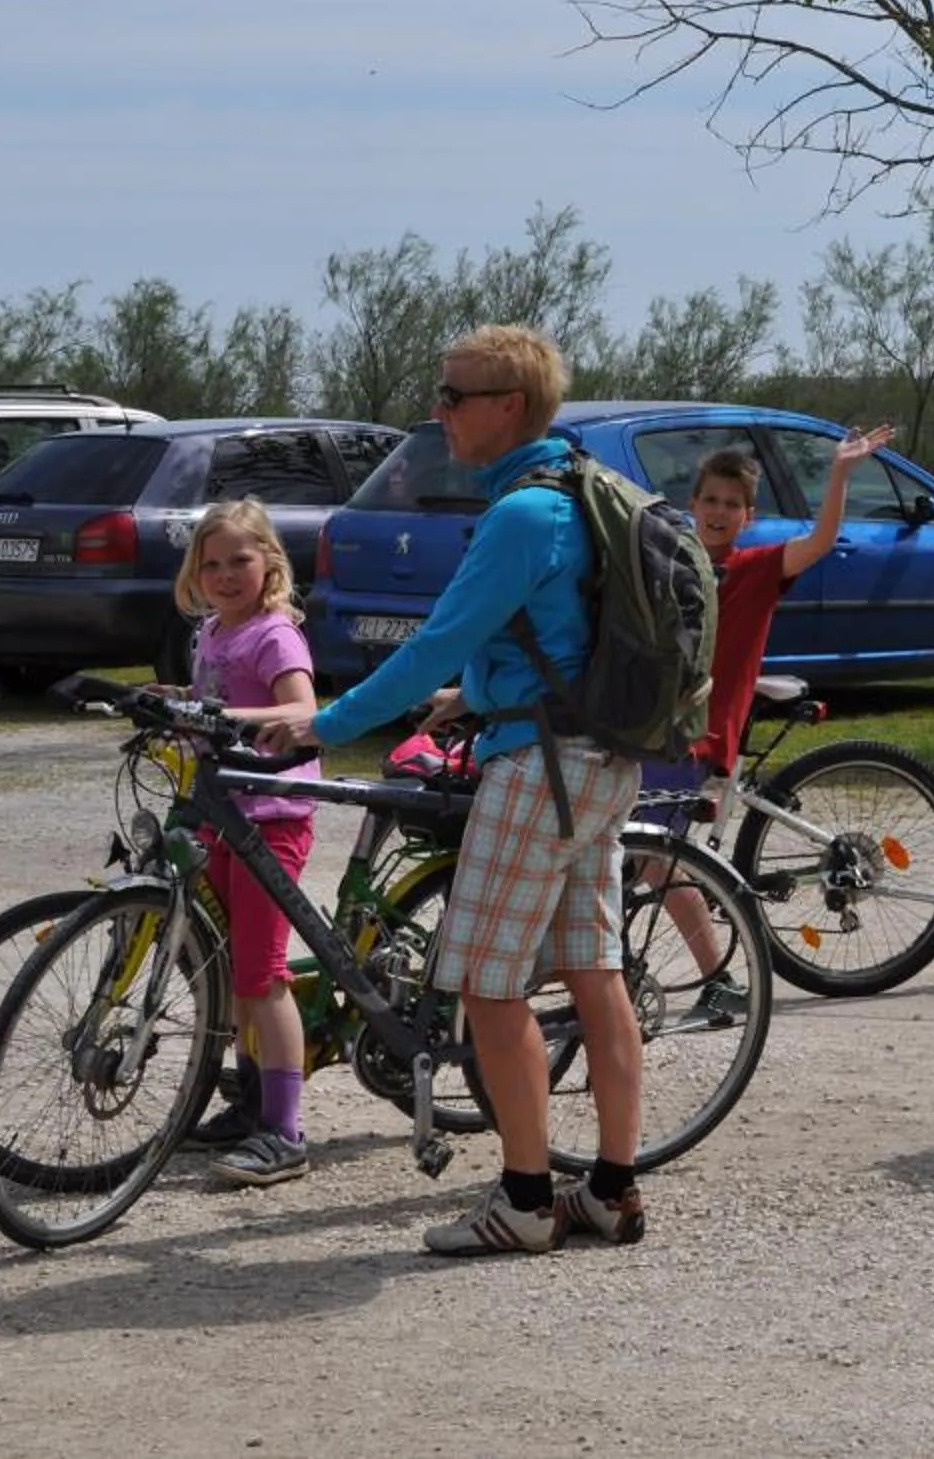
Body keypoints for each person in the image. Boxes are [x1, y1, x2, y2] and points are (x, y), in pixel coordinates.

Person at [260, 325, 647, 1257]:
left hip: (539, 768)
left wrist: (327, 724)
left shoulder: (522, 514)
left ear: (508, 406)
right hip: (599, 757)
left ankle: (524, 1201)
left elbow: (438, 637)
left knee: (488, 985)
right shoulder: (578, 492)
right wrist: (471, 694)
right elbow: (552, 636)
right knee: (596, 976)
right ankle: (612, 1191)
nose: (438, 413)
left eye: (453, 396)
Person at [637, 425, 895, 1001]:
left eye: (732, 504)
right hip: (650, 728)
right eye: (710, 499)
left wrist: (839, 474)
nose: (719, 511)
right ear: (691, 505)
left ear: (748, 516)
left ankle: (719, 980)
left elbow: (821, 542)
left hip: (696, 734)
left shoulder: (756, 568)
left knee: (654, 858)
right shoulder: (671, 565)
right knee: (630, 851)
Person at [169, 500, 323, 1187]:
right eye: (212, 565)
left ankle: (284, 1131)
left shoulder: (273, 634)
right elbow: (210, 695)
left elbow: (302, 710)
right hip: (223, 811)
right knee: (230, 968)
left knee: (262, 975)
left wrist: (222, 714)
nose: (226, 576)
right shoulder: (211, 632)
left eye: (240, 561)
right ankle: (251, 1100)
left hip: (271, 816)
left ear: (270, 564)